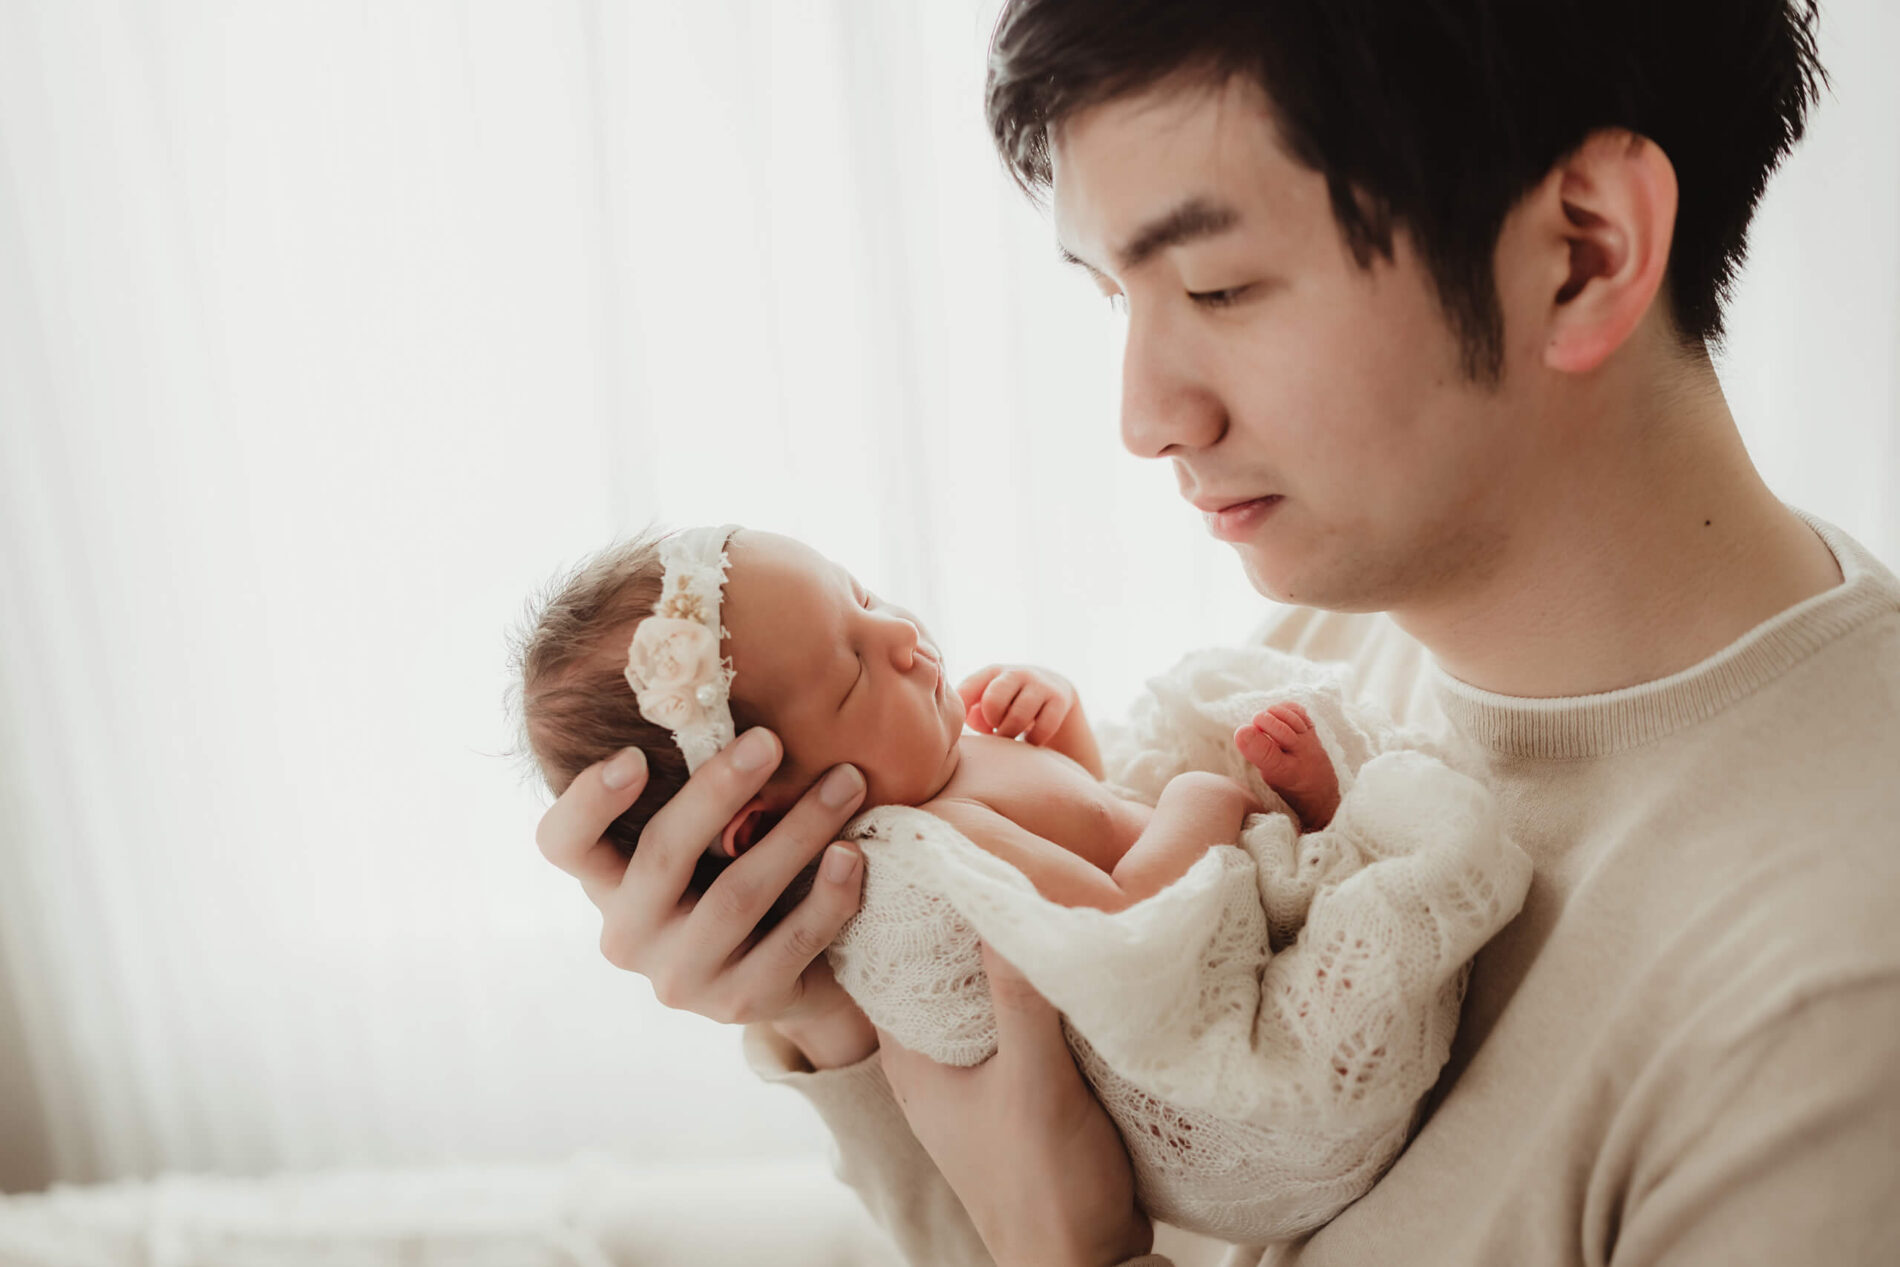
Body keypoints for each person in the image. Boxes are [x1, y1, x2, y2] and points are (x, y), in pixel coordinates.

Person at [534, 1, 1900, 1264]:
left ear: (1582, 249)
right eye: (1112, 296)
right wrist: (836, 1012)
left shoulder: (1831, 1016)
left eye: (1220, 288)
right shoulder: (1322, 646)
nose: (1145, 415)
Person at [513, 522, 1531, 1242]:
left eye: (864, 599)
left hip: (1205, 899)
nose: (903, 637)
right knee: (1244, 818)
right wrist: (1204, 803)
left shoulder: (953, 765)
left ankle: (1306, 830)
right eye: (852, 672)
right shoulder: (929, 850)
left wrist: (1065, 729)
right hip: (1209, 1017)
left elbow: (1091, 808)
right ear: (768, 814)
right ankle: (1308, 835)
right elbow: (1123, 922)